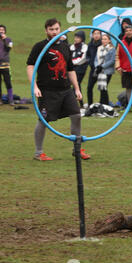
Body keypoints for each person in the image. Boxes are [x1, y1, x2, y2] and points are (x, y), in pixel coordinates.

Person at [26, 18, 90, 161]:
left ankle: (77, 149)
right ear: (46, 30)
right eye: (51, 29)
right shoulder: (39, 47)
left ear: (60, 29)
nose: (54, 32)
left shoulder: (65, 46)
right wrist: (34, 86)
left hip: (66, 90)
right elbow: (30, 66)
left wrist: (77, 88)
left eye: (56, 29)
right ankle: (38, 153)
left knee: (76, 116)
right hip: (47, 91)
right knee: (44, 120)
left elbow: (70, 69)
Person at [94, 34, 116, 105]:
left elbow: (112, 61)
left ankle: (105, 103)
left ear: (109, 40)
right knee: (101, 88)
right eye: (102, 39)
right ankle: (102, 102)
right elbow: (96, 59)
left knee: (104, 88)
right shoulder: (99, 48)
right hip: (99, 71)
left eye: (105, 39)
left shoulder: (112, 49)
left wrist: (102, 66)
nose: (103, 41)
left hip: (107, 71)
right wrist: (97, 66)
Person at [70, 31, 88, 108]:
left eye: (78, 37)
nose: (76, 39)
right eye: (75, 37)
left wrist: (73, 62)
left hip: (80, 69)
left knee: (75, 85)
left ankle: (72, 103)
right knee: (76, 85)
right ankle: (80, 103)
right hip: (72, 69)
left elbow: (83, 58)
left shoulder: (84, 47)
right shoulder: (72, 47)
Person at [86, 29, 102, 106]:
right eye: (95, 33)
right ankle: (90, 104)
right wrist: (90, 62)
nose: (96, 35)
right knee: (89, 87)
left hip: (101, 69)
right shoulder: (90, 44)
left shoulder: (102, 44)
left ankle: (103, 104)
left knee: (102, 88)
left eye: (98, 33)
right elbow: (87, 55)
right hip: (93, 69)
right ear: (92, 35)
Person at [0, 24, 14, 106]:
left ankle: (11, 99)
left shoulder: (8, 40)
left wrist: (4, 39)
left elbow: (8, 48)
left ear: (5, 31)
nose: (1, 31)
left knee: (8, 82)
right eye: (0, 30)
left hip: (5, 65)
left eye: (2, 30)